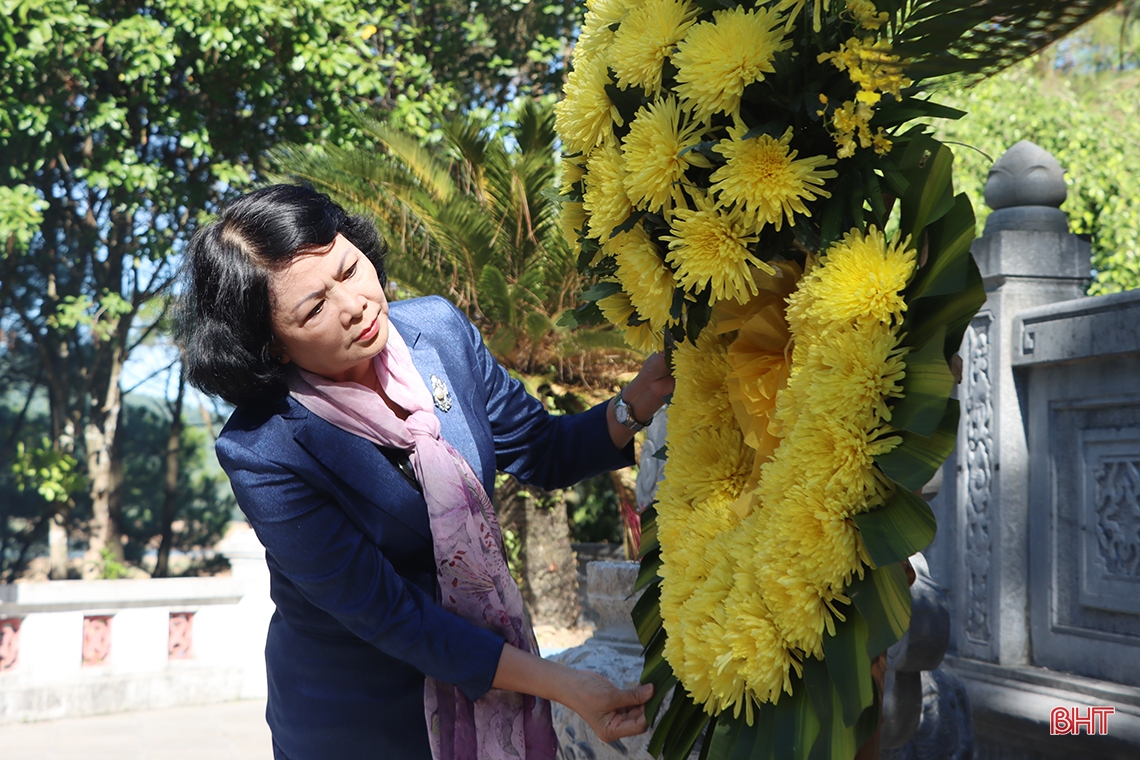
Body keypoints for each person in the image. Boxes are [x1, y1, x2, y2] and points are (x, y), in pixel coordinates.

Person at [176, 184, 674, 760]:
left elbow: (542, 448)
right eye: (314, 308)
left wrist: (638, 400)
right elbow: (395, 616)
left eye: (349, 269)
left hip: (490, 679)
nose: (354, 304)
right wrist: (563, 684)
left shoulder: (438, 331)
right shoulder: (263, 450)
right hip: (360, 725)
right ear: (273, 346)